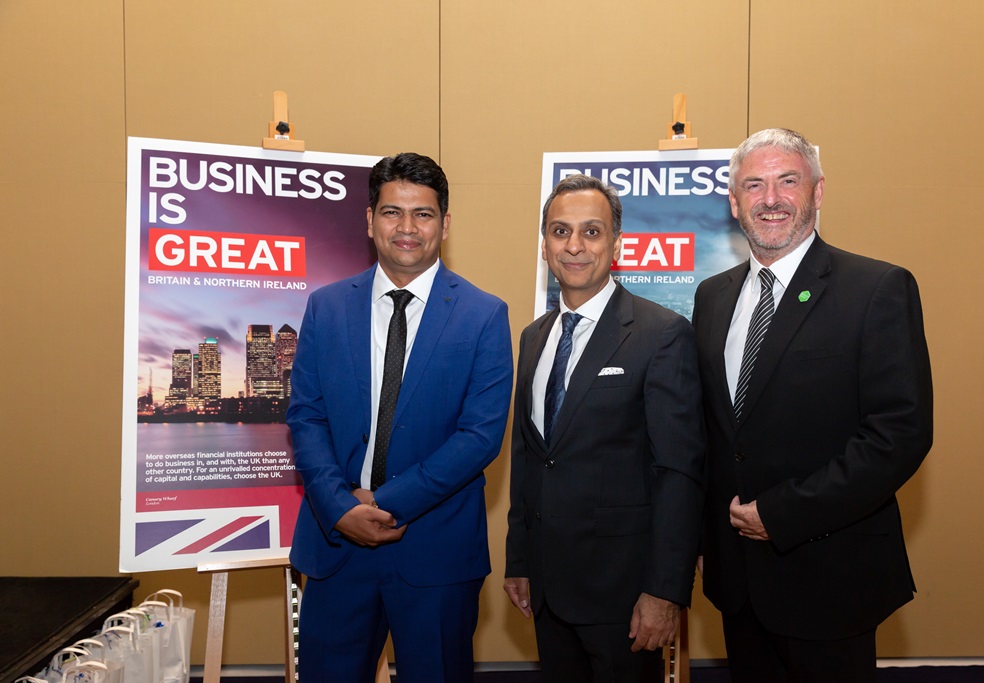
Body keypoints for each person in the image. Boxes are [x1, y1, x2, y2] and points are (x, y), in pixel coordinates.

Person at [692, 128, 933, 682]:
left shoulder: (876, 288)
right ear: (733, 202)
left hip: (832, 579)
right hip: (739, 585)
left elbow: (899, 434)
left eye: (787, 181)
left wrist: (782, 514)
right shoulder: (712, 297)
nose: (770, 198)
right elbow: (716, 433)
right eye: (753, 184)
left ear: (818, 192)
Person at [287, 152, 513, 683]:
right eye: (392, 212)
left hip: (435, 553)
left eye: (424, 214)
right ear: (369, 220)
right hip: (336, 542)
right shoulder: (325, 307)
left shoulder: (484, 315)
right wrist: (341, 508)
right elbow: (306, 416)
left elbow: (480, 437)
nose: (407, 228)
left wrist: (383, 503)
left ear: (445, 223)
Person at [504, 174, 705, 682]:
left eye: (591, 232)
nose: (574, 246)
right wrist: (520, 561)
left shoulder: (661, 335)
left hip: (626, 596)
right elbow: (530, 457)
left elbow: (678, 471)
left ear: (616, 243)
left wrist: (665, 590)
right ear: (544, 243)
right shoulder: (534, 337)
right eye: (560, 231)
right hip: (548, 591)